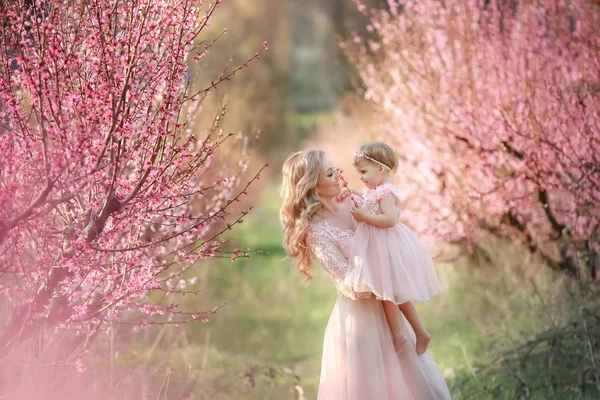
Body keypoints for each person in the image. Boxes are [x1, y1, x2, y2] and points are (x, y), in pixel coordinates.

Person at [280, 149, 451, 399]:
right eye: (329, 173)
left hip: (388, 308)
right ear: (314, 187)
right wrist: (385, 272)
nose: (339, 174)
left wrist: (394, 261)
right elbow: (348, 285)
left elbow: (385, 233)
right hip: (360, 322)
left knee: (415, 384)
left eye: (334, 168)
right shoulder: (317, 233)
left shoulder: (354, 201)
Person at [343, 141, 443, 356]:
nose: (361, 177)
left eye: (363, 171)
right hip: (378, 246)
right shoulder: (376, 190)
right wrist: (353, 192)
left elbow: (390, 219)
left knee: (390, 292)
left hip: (387, 246)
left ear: (381, 169)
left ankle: (415, 332)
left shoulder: (386, 192)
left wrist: (364, 217)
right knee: (387, 293)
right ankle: (402, 334)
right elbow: (369, 201)